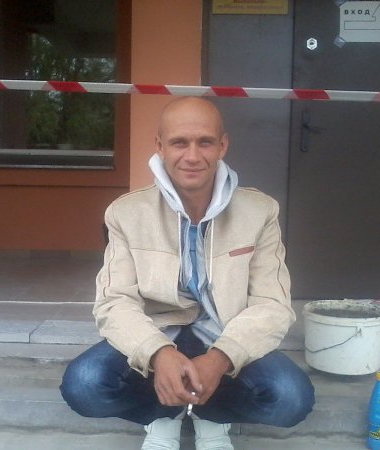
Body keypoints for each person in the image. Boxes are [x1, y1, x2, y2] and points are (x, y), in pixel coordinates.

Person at [61, 97, 315, 450]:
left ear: (222, 145)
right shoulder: (126, 213)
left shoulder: (260, 211)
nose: (192, 156)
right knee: (84, 384)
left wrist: (220, 358)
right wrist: (158, 353)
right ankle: (164, 413)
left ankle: (211, 416)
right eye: (180, 142)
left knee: (291, 398)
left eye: (205, 142)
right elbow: (114, 302)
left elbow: (272, 305)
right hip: (158, 330)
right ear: (160, 146)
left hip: (225, 332)